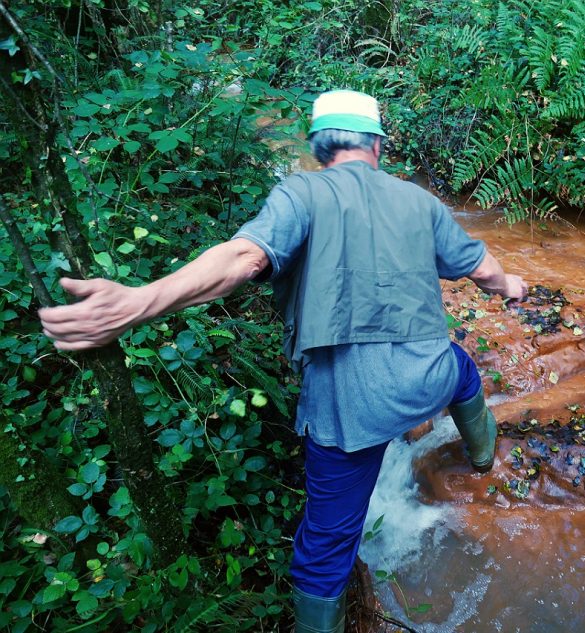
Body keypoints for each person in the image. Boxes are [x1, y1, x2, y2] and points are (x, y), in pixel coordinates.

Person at [39, 89, 527, 633]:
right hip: (427, 376)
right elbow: (483, 268)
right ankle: (483, 456)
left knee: (327, 544)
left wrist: (139, 301)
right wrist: (512, 285)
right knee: (460, 369)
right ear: (378, 146)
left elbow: (243, 258)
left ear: (320, 148)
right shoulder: (421, 202)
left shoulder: (301, 194)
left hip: (351, 410)